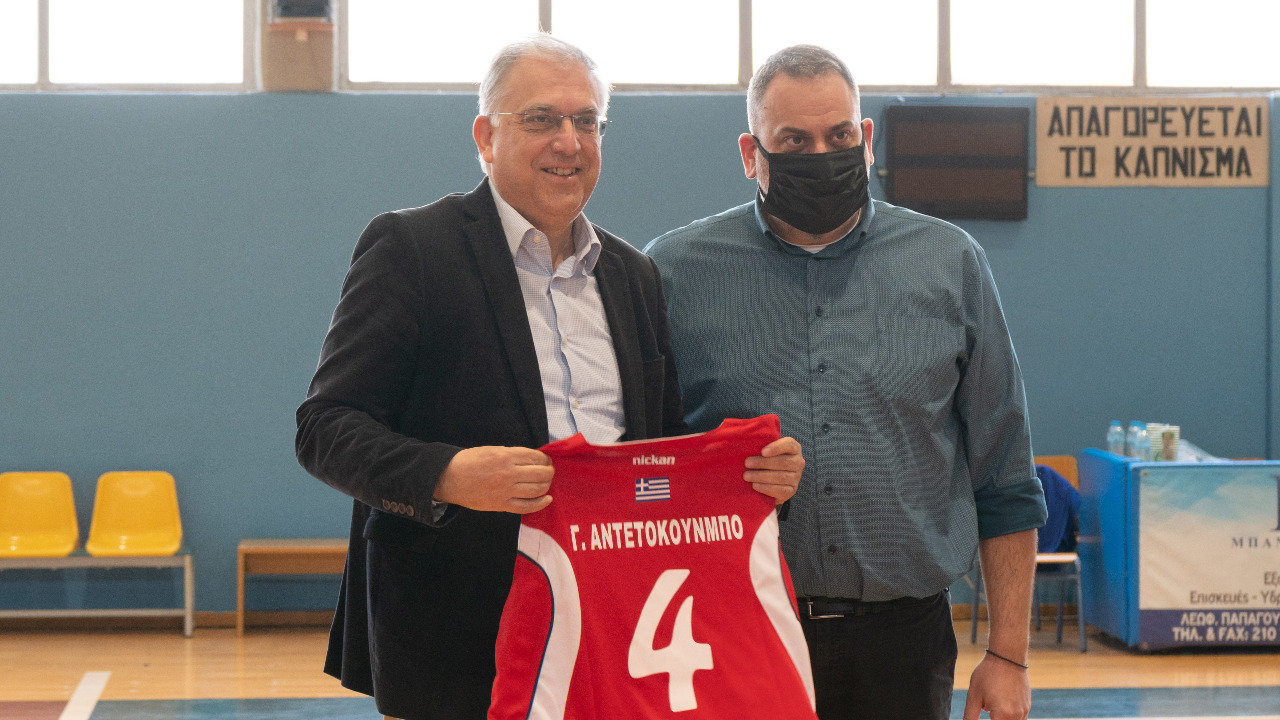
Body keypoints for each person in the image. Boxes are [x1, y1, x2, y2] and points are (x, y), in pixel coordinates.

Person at [295, 35, 803, 720]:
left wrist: (745, 476)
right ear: (486, 137)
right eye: (541, 119)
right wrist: (447, 474)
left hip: (610, 635)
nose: (569, 141)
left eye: (586, 121)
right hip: (459, 639)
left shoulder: (633, 276)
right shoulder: (411, 249)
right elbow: (325, 428)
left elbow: (657, 451)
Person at [645, 44, 1047, 720]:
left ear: (865, 140)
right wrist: (717, 470)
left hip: (903, 642)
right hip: (733, 630)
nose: (820, 154)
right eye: (792, 141)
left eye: (837, 137)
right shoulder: (674, 273)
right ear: (750, 153)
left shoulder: (949, 263)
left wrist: (1009, 654)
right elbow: (642, 466)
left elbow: (1004, 476)